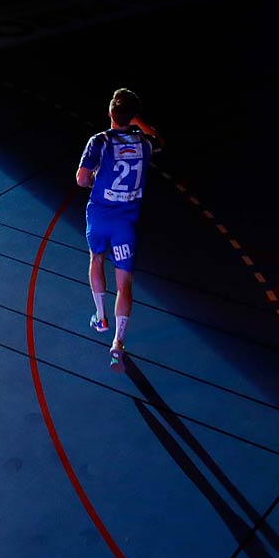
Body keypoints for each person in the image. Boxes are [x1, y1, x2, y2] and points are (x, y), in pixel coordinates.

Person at [77, 89, 162, 363]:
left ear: (110, 113)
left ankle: (100, 318)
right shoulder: (145, 145)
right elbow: (159, 139)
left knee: (96, 259)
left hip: (100, 216)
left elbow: (81, 179)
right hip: (126, 221)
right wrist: (138, 121)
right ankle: (118, 343)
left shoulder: (100, 141)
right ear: (132, 116)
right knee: (124, 283)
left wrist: (92, 182)